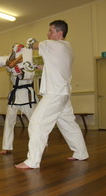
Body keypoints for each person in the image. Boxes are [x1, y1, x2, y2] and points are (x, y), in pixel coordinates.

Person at [15, 20, 89, 169]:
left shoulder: (52, 45)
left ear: (59, 33)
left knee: (36, 123)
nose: (47, 34)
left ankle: (32, 161)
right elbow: (52, 66)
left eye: (50, 31)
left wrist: (22, 45)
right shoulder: (68, 48)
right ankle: (81, 153)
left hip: (54, 94)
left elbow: (33, 44)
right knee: (69, 124)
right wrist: (35, 66)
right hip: (64, 94)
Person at [0, 43, 39, 155]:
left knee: (34, 121)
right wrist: (13, 53)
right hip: (15, 95)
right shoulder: (12, 61)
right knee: (9, 120)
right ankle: (7, 146)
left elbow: (29, 76)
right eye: (16, 51)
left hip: (27, 95)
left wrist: (18, 69)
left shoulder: (29, 64)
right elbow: (8, 66)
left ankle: (41, 142)